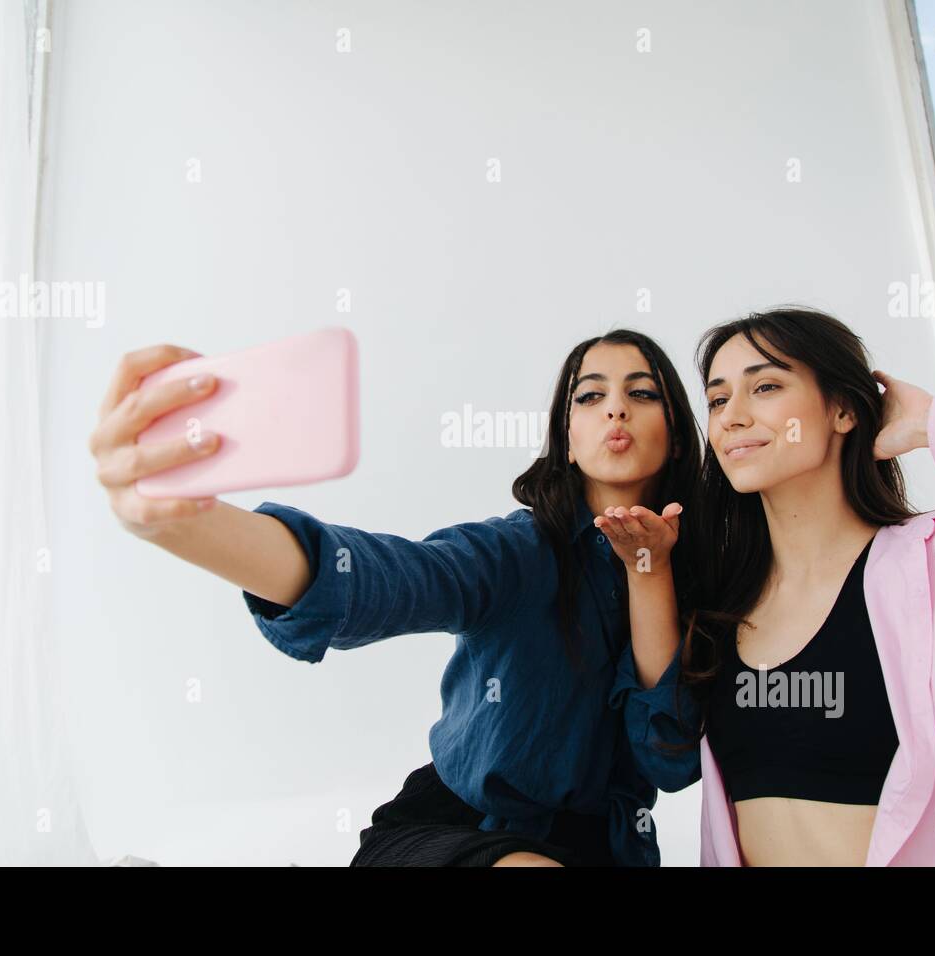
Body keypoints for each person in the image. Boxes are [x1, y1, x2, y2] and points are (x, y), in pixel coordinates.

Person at [89, 330, 704, 866]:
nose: (615, 410)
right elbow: (391, 577)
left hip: (607, 849)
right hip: (452, 833)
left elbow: (668, 763)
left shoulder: (700, 577)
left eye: (642, 393)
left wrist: (649, 572)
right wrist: (184, 523)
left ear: (676, 437)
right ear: (567, 441)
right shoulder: (516, 552)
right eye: (590, 396)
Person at [601, 306, 935, 865]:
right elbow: (661, 757)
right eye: (717, 400)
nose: (731, 417)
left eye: (764, 386)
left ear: (843, 409)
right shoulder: (720, 603)